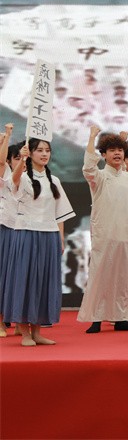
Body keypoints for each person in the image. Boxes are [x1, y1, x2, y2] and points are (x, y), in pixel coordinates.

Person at [3, 139, 76, 346]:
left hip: (49, 235)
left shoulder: (55, 181)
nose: (44, 154)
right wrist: (22, 160)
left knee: (44, 282)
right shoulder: (24, 177)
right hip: (26, 234)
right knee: (25, 280)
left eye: (47, 151)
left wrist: (60, 238)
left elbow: (60, 214)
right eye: (40, 150)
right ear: (31, 153)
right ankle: (24, 333)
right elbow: (13, 181)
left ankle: (37, 332)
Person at [77, 126, 128, 333]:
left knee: (124, 277)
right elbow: (88, 168)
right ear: (103, 155)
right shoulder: (99, 177)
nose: (117, 153)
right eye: (112, 150)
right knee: (101, 275)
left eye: (120, 150)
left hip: (127, 235)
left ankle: (121, 318)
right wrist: (92, 137)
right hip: (104, 234)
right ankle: (96, 318)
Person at [0, 126, 19, 337]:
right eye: (15, 158)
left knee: (16, 276)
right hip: (4, 227)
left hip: (22, 228)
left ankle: (18, 319)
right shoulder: (4, 172)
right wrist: (8, 136)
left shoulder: (29, 176)